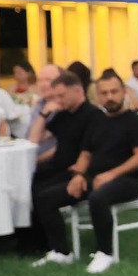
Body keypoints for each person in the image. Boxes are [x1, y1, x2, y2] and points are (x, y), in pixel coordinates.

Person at [31, 72, 138, 274]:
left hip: (128, 180)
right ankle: (61, 252)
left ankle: (105, 253)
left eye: (114, 92)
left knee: (98, 197)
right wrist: (78, 175)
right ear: (98, 95)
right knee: (46, 197)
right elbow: (85, 153)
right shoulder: (97, 121)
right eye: (104, 93)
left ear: (123, 92)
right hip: (94, 177)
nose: (109, 97)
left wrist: (111, 175)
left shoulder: (136, 122)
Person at [25, 72, 100, 254]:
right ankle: (34, 242)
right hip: (57, 167)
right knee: (26, 184)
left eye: (62, 95)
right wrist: (44, 114)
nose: (58, 100)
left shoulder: (93, 115)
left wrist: (80, 171)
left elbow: (92, 151)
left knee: (43, 194)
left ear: (77, 91)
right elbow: (34, 139)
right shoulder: (64, 115)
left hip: (77, 171)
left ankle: (59, 249)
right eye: (56, 96)